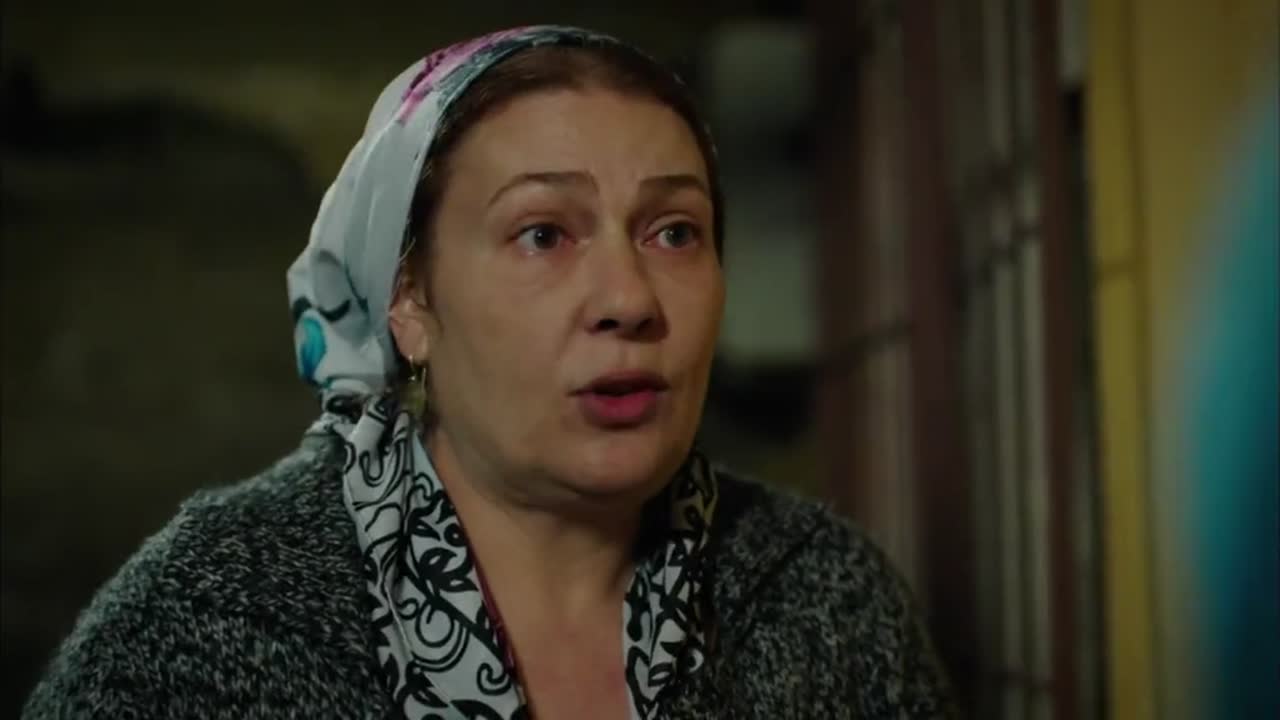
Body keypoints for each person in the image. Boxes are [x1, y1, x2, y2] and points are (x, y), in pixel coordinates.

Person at [23, 25, 955, 719]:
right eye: (543, 233)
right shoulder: (214, 619)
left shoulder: (820, 597)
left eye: (674, 232)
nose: (629, 299)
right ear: (408, 299)